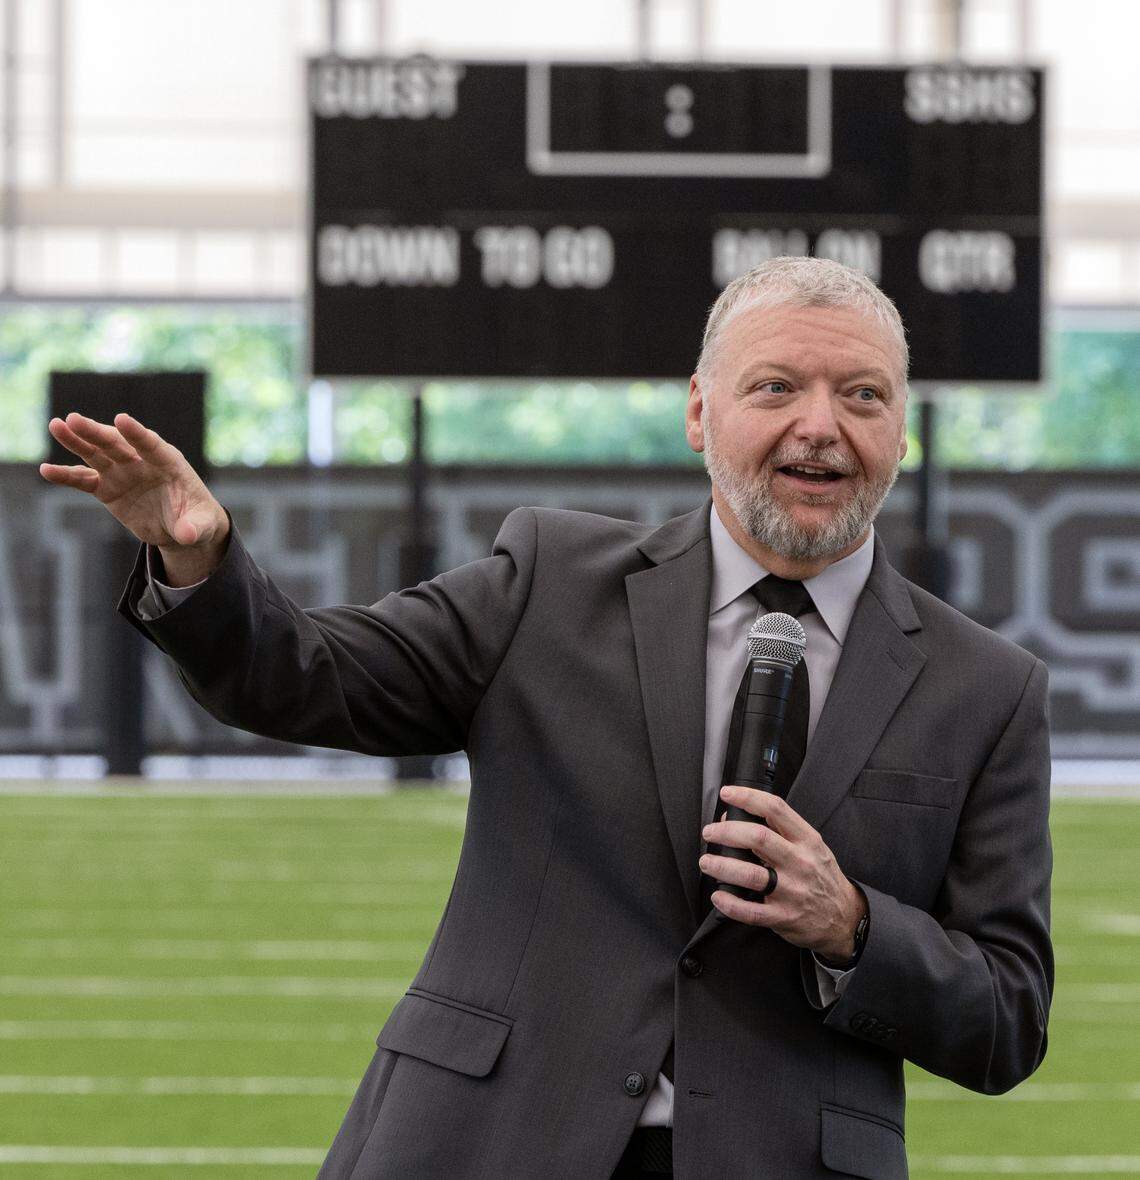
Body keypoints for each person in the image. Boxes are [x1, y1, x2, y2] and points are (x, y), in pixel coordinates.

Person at [40, 257, 1053, 1179]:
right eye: (776, 386)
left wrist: (852, 925)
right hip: (482, 1141)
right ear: (701, 412)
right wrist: (200, 562)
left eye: (863, 394)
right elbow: (307, 677)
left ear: (903, 429)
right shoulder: (551, 582)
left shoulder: (987, 688)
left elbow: (1009, 1016)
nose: (821, 424)